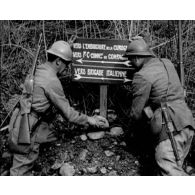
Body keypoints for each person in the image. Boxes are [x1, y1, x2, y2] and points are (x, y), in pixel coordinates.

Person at [9, 40, 109, 176]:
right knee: (20, 169)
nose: (66, 68)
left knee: (48, 138)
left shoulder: (39, 69)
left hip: (19, 119)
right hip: (28, 128)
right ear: (57, 61)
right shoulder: (52, 81)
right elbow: (68, 114)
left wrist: (66, 46)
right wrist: (90, 120)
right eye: (66, 64)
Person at [123, 37, 195, 176]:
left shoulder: (142, 76)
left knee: (169, 169)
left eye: (131, 59)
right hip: (187, 122)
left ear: (137, 58)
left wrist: (131, 134)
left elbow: (135, 114)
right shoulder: (166, 62)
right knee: (176, 167)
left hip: (170, 126)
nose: (130, 63)